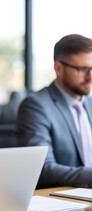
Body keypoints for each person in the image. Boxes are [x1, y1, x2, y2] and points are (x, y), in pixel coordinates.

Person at [17, 34, 92, 188]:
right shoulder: (36, 106)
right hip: (63, 200)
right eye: (83, 69)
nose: (90, 77)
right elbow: (43, 169)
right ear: (58, 68)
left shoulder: (90, 104)